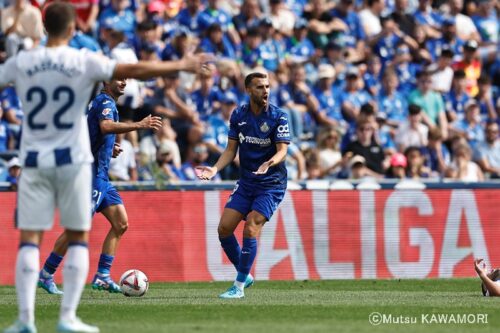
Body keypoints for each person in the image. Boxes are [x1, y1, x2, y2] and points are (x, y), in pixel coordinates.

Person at [0, 3, 211, 333]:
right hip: (74, 164)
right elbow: (136, 68)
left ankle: (26, 320)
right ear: (72, 30)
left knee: (32, 238)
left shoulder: (21, 62)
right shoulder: (84, 62)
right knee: (78, 235)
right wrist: (181, 63)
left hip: (34, 159)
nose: (123, 81)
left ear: (43, 28)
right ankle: (67, 317)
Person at [38, 79, 162, 296]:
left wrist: (107, 147)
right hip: (90, 177)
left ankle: (102, 276)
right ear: (106, 80)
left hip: (101, 177)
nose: (123, 83)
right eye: (119, 78)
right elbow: (105, 126)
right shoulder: (105, 101)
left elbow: (94, 132)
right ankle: (47, 274)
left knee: (121, 224)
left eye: (126, 79)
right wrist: (139, 125)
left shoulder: (104, 103)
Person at [196, 72, 290, 299]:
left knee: (251, 226)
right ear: (249, 90)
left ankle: (238, 287)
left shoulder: (279, 116)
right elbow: (230, 150)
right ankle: (245, 274)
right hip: (247, 182)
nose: (265, 91)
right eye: (259, 87)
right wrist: (214, 169)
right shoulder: (238, 115)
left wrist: (270, 162)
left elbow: (283, 150)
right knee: (224, 229)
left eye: (267, 86)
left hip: (271, 183)